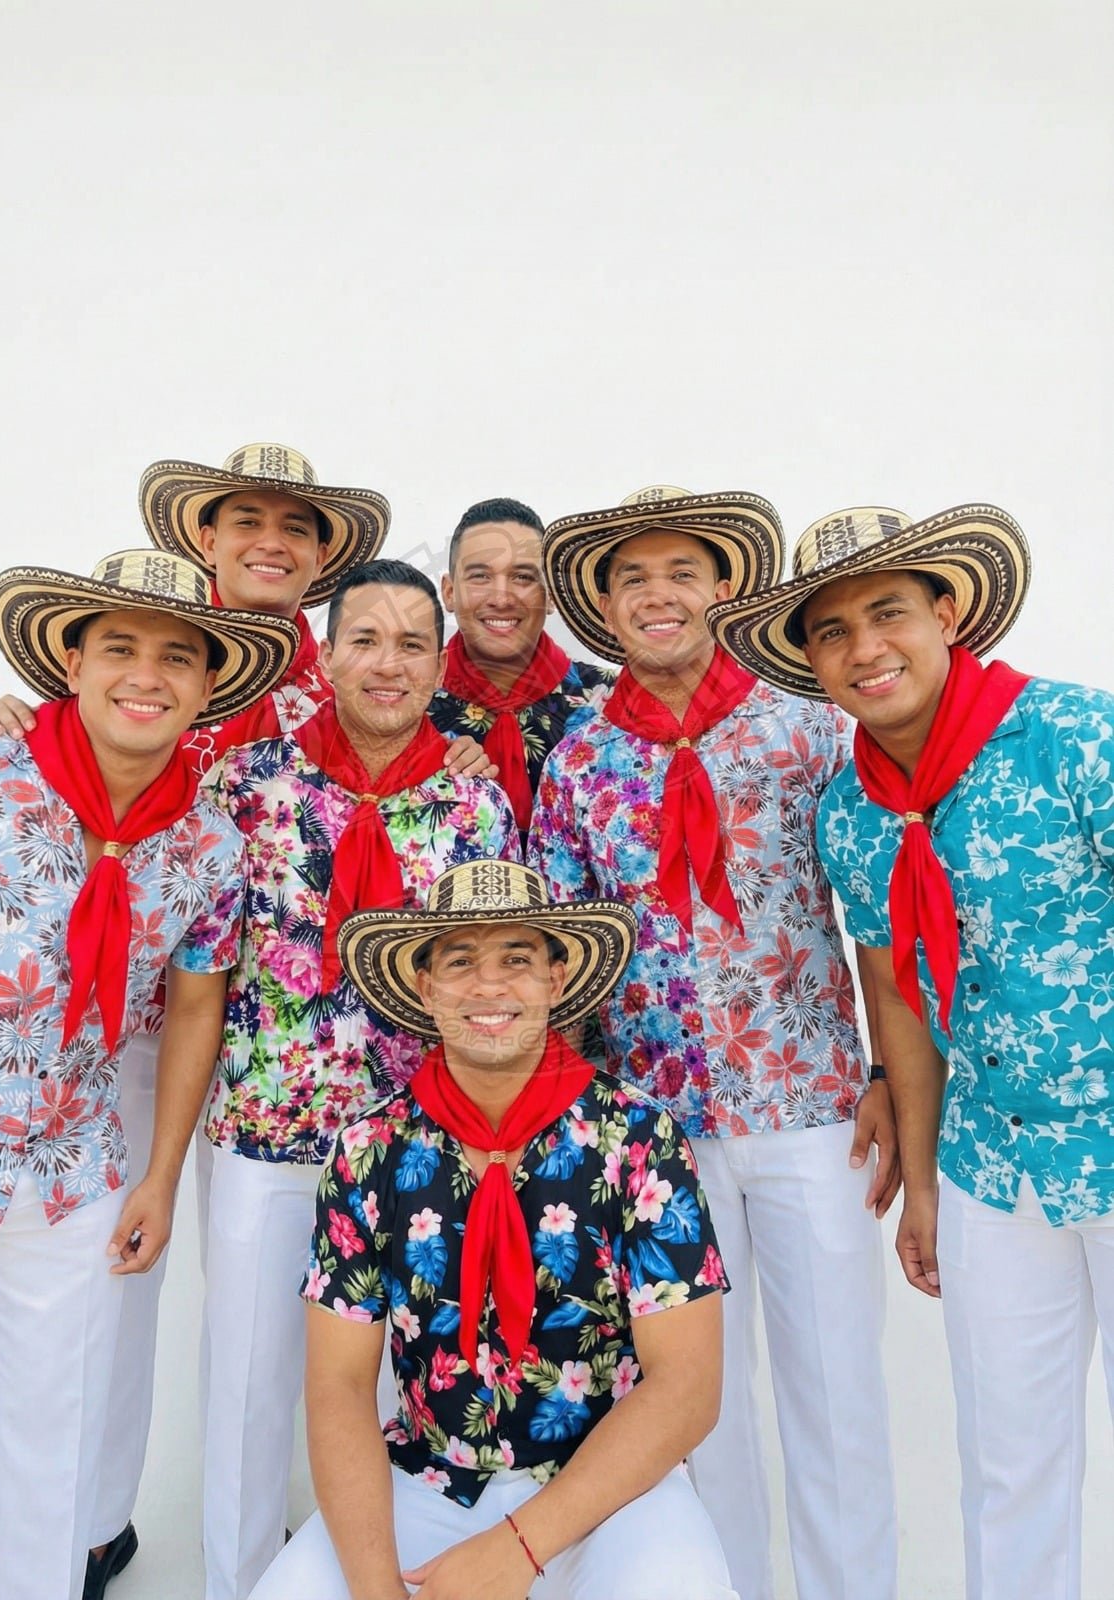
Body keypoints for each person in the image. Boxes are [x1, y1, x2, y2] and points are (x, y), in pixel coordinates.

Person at [0, 443, 489, 1596]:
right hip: (123, 1034)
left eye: (295, 525)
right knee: (128, 1291)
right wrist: (7, 721)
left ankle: (365, 1555)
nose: (270, 541)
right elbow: (79, 763)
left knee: (366, 1341)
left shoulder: (359, 711)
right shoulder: (154, 677)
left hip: (281, 1049)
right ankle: (102, 1532)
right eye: (247, 519)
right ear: (205, 536)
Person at [710, 503, 1111, 1600]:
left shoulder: (1079, 736)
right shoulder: (853, 811)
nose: (865, 648)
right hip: (992, 1166)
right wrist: (925, 1184)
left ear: (947, 615)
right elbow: (895, 993)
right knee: (1009, 1469)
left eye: (888, 613)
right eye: (832, 632)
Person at [527, 486, 899, 1600]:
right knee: (699, 1413)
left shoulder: (808, 729)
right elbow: (564, 965)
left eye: (681, 571)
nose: (659, 596)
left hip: (812, 1109)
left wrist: (889, 1069)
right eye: (632, 578)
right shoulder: (579, 763)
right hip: (659, 1138)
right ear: (604, 606)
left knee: (837, 1395)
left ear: (724, 586)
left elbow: (881, 915)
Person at [0, 549, 295, 1600]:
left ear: (208, 685)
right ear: (73, 663)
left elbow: (196, 1006)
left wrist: (161, 1177)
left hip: (72, 1174)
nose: (146, 675)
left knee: (55, 1450)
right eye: (119, 648)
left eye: (177, 657)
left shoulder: (208, 842)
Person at [248, 858, 739, 1600]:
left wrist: (518, 1548)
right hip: (427, 1479)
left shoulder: (639, 1137)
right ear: (424, 986)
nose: (489, 986)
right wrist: (378, 1592)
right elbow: (339, 1388)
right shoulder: (369, 1151)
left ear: (557, 979)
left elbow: (688, 1387)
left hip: (609, 1488)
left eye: (517, 959)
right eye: (459, 961)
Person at [191, 559, 522, 1600]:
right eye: (365, 640)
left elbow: (498, 986)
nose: (388, 662)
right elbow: (199, 972)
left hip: (414, 1152)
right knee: (246, 1387)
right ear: (327, 655)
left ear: (440, 661)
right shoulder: (249, 787)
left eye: (412, 643)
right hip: (267, 1138)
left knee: (406, 1400)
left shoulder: (473, 804)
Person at [430, 496, 613, 836]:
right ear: (449, 592)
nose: (501, 598)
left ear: (551, 595)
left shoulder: (611, 702)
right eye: (480, 576)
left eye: (523, 577)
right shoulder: (406, 704)